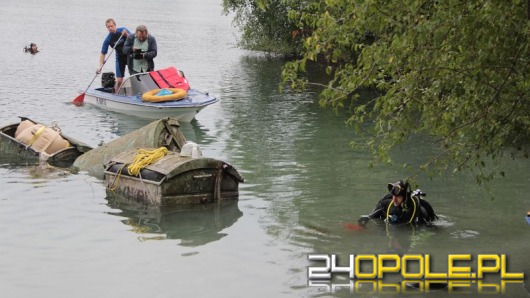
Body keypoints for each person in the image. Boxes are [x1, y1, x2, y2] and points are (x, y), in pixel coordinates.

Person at [358, 180, 437, 226]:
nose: (394, 200)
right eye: (393, 196)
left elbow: (430, 227)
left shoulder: (416, 210)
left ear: (405, 197)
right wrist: (362, 224)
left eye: (398, 197)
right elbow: (372, 215)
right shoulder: (388, 204)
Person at [97, 19, 131, 92]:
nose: (110, 28)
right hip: (120, 58)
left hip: (130, 56)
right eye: (108, 27)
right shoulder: (108, 39)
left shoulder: (123, 30)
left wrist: (126, 35)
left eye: (111, 26)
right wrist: (100, 66)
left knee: (134, 76)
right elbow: (103, 53)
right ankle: (116, 95)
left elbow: (134, 39)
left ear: (115, 25)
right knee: (119, 80)